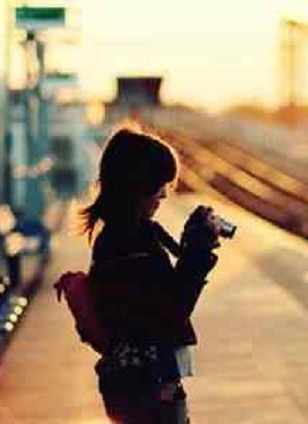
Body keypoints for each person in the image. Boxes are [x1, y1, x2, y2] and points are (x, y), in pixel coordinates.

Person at [78, 126, 221, 423]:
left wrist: (191, 249)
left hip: (143, 385)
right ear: (136, 186)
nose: (164, 195)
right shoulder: (126, 244)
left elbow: (161, 300)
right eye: (159, 185)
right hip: (145, 391)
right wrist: (196, 254)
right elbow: (169, 311)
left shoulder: (130, 235)